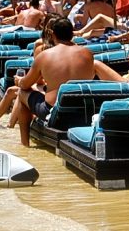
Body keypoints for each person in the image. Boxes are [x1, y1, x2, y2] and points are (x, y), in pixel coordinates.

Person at [13, 18, 98, 146]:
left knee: (22, 93)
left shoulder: (45, 55)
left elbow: (25, 84)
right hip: (84, 111)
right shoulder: (88, 54)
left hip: (56, 114)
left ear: (52, 34)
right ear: (72, 33)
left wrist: (19, 81)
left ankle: (24, 144)